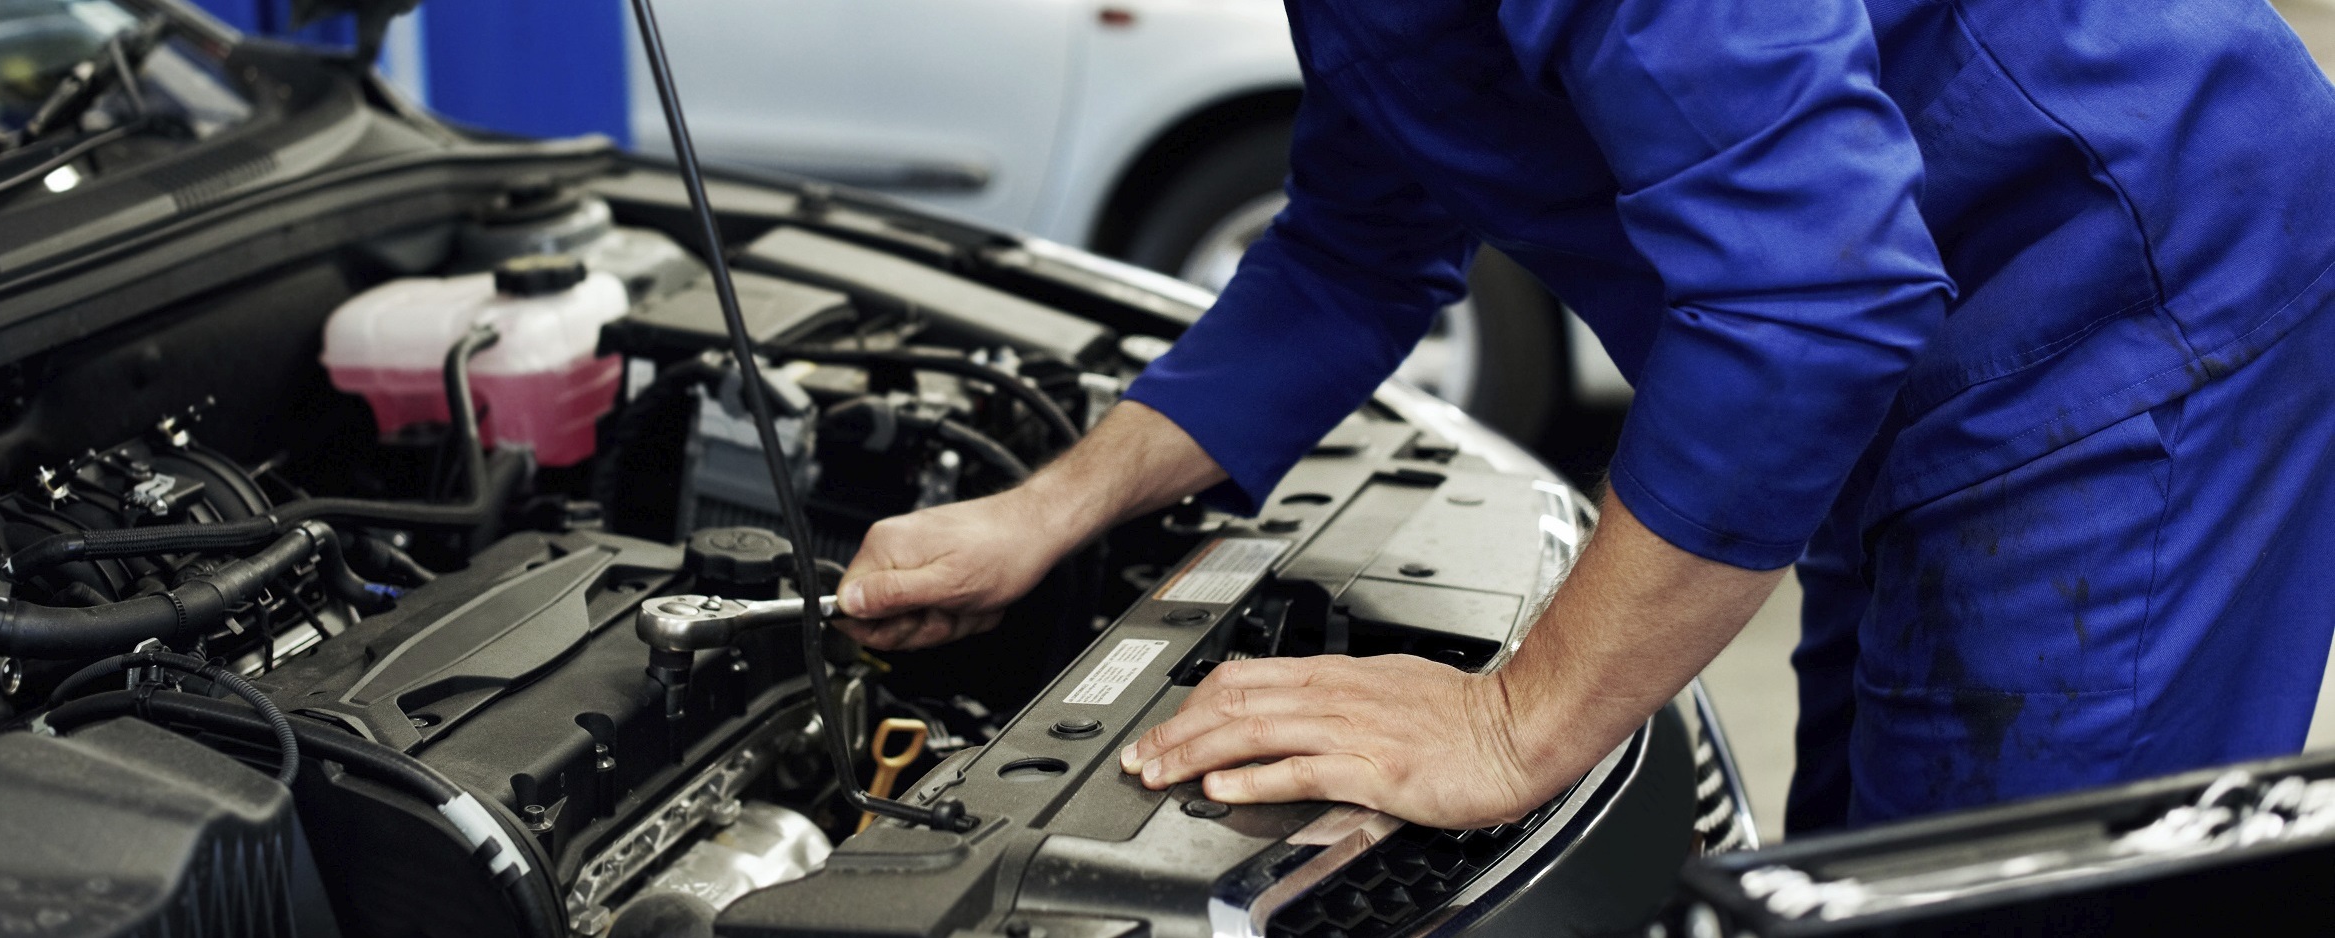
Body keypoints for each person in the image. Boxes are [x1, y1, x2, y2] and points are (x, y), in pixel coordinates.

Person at [832, 0, 2335, 832]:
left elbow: (1808, 301)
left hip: (2125, 295)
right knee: (1858, 856)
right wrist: (1043, 509)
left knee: (1986, 879)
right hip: (1911, 362)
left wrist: (1510, 716)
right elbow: (1349, 256)